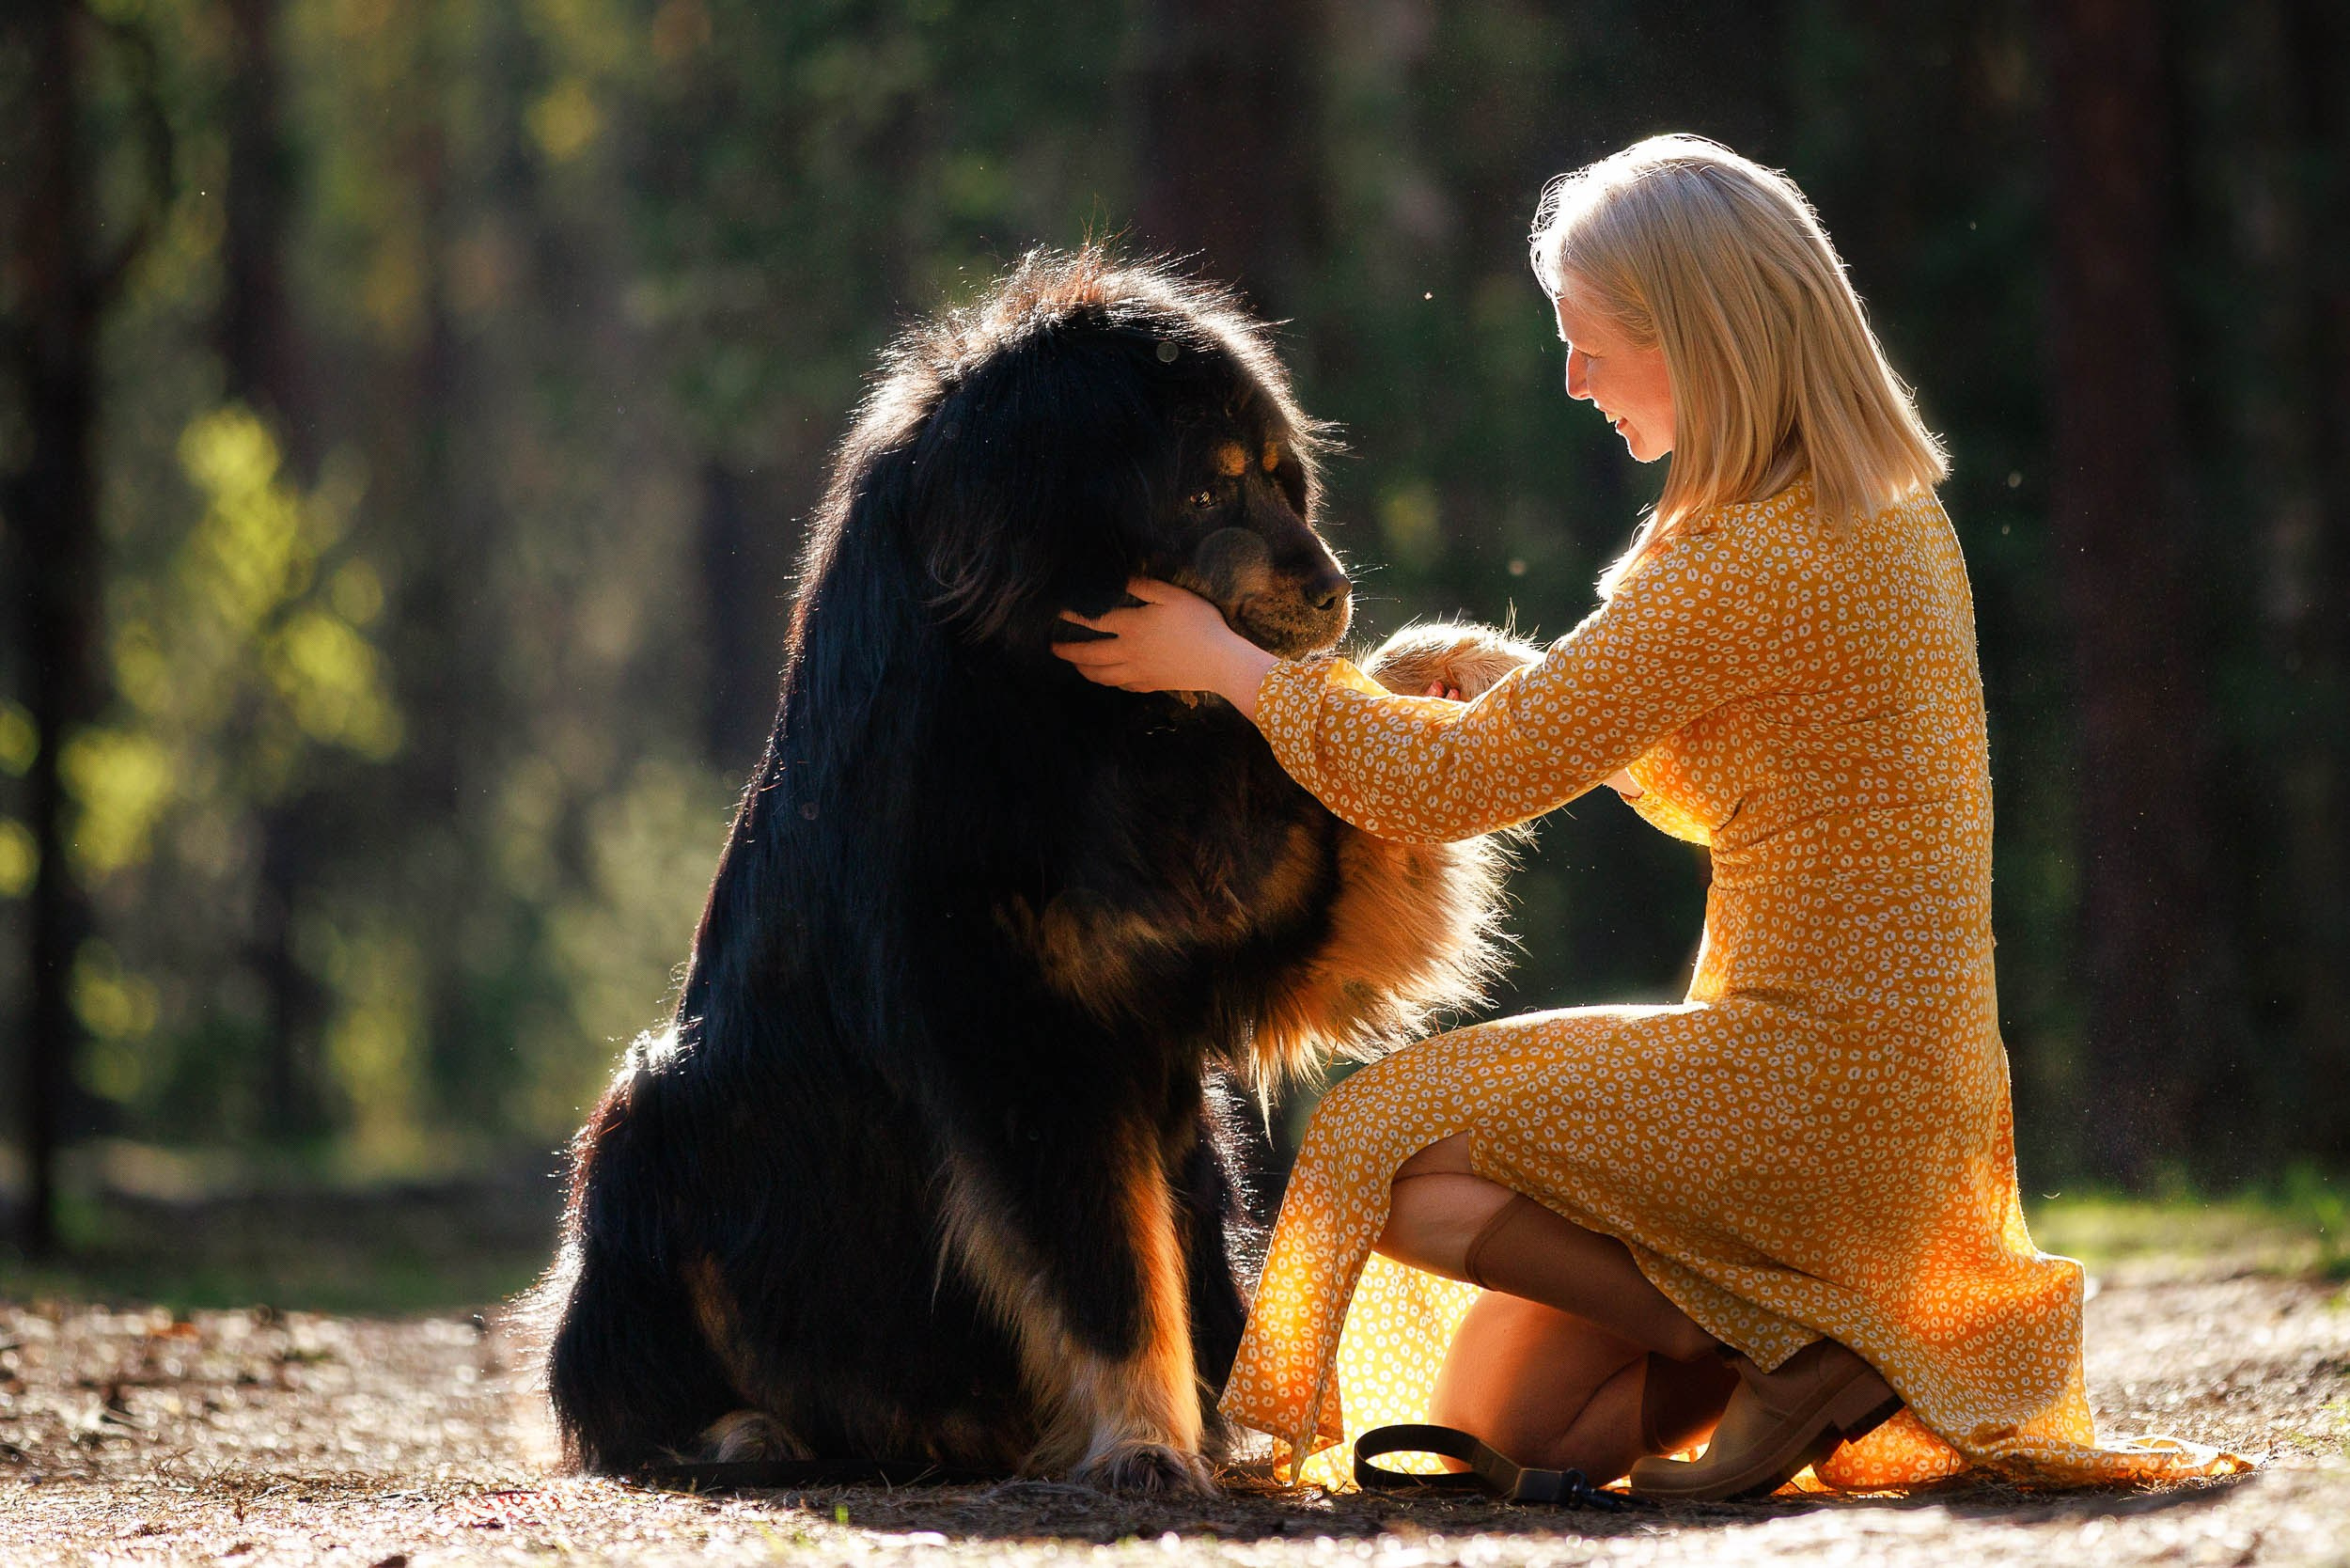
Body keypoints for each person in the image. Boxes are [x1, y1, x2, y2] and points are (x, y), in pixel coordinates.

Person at [1058, 135, 2238, 1498]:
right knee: (1517, 1446)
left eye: (1591, 341)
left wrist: (1237, 670)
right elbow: (1724, 788)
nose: (1573, 378)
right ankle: (1776, 1345)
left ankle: (1773, 1336)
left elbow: (1453, 785)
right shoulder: (1886, 518)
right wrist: (1521, 685)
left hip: (1805, 1088)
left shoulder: (1741, 559)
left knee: (1371, 1135)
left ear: (1697, 336)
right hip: (1914, 1101)